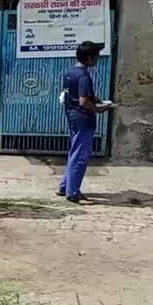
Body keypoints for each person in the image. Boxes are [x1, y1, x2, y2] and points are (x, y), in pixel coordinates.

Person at [58, 42, 111, 203]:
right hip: (83, 118)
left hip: (72, 115)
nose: (97, 59)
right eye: (96, 56)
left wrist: (97, 100)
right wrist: (98, 109)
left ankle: (65, 186)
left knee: (75, 152)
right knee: (80, 156)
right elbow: (83, 101)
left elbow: (73, 95)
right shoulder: (83, 76)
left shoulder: (70, 72)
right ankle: (72, 192)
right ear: (89, 58)